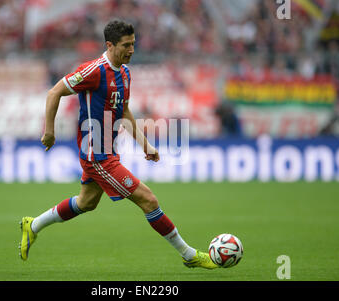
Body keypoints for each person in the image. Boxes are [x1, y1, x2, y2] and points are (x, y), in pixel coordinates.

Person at [19, 20, 217, 270]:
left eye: (133, 43)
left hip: (108, 151)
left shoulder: (124, 72)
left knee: (86, 202)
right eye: (126, 45)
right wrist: (49, 130)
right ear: (110, 45)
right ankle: (189, 255)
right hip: (96, 155)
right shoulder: (93, 71)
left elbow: (123, 111)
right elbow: (54, 92)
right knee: (149, 200)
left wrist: (145, 145)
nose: (132, 49)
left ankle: (33, 225)